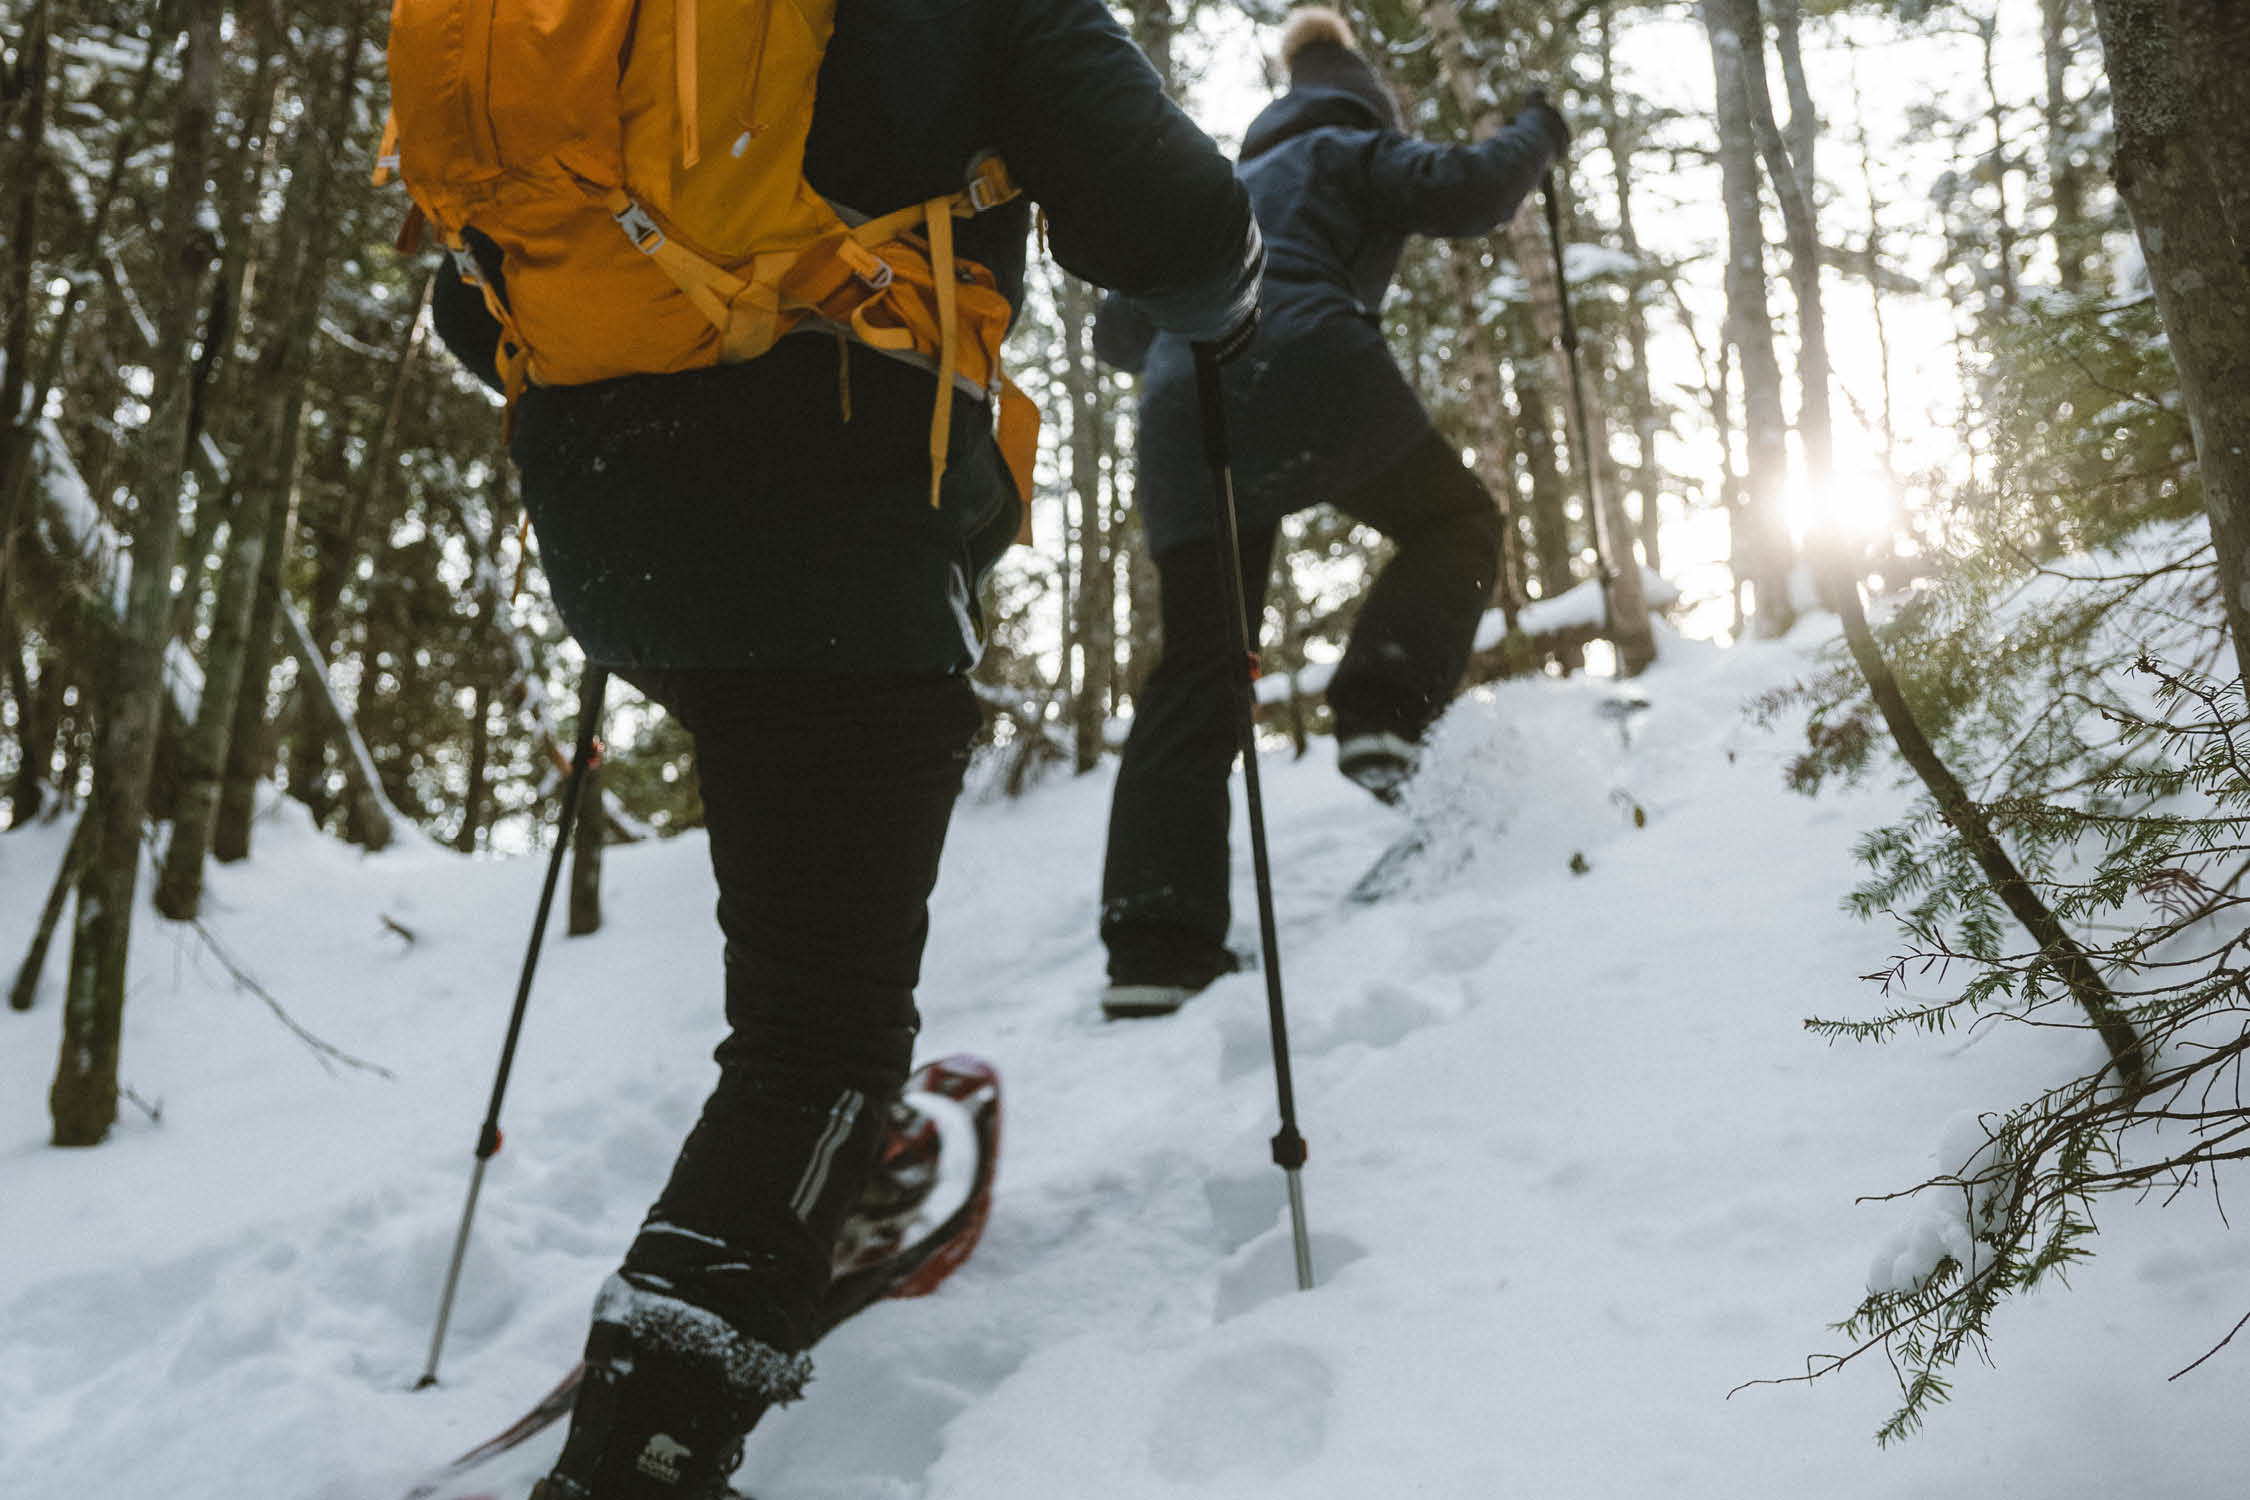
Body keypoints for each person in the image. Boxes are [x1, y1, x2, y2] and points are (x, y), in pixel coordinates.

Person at [425, 3, 1261, 1494]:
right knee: (818, 1038)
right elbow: (1177, 222)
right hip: (825, 514)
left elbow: (464, 305)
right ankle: (650, 1444)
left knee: (802, 904)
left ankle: (818, 1185)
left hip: (611, 519)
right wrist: (1233, 296)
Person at [1092, 7, 1568, 1019]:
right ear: (1363, 96)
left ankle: (1154, 944)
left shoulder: (1220, 186)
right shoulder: (1352, 145)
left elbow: (1118, 331)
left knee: (1202, 663)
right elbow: (1477, 193)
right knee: (1460, 522)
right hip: (1307, 359)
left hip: (1183, 401)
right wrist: (1541, 130)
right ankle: (1382, 711)